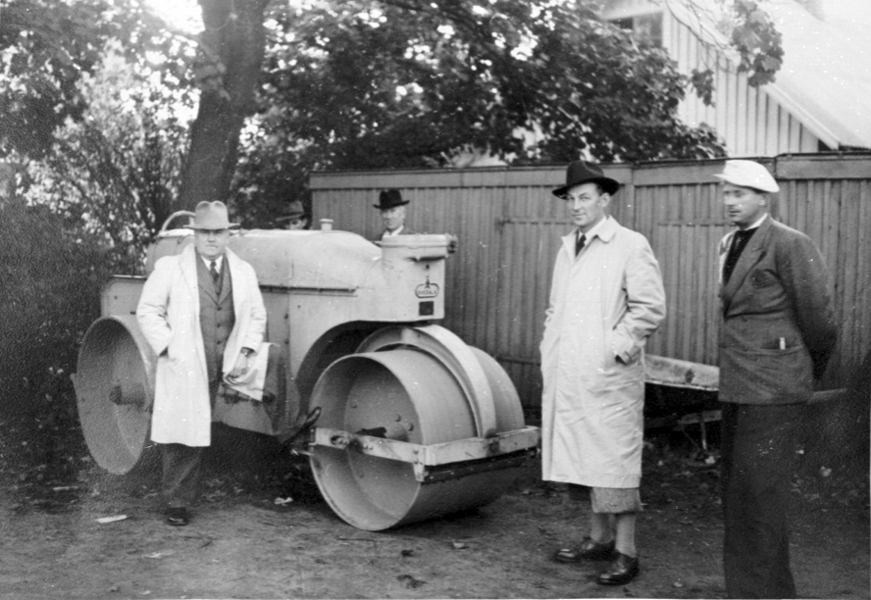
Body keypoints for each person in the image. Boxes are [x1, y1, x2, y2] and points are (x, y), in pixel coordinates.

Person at [714, 160, 837, 598]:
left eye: (739, 194)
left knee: (760, 498)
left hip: (774, 393)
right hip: (738, 387)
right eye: (727, 193)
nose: (730, 201)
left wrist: (800, 374)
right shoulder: (729, 242)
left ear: (763, 198)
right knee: (741, 497)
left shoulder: (790, 243)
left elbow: (820, 321)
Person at [541, 160, 666, 586]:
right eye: (571, 199)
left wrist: (614, 349)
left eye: (585, 198)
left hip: (610, 377)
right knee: (583, 455)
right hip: (572, 372)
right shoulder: (568, 247)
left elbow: (649, 308)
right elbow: (556, 308)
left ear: (605, 200)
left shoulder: (629, 244)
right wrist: (550, 349)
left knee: (614, 463)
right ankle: (598, 538)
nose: (576, 206)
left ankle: (626, 551)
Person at [137, 200, 267, 527]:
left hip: (228, 362)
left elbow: (256, 316)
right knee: (183, 432)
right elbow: (148, 310)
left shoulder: (242, 271)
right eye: (205, 232)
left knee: (208, 423)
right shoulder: (171, 268)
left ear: (227, 235)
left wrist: (246, 351)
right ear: (194, 235)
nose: (211, 238)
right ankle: (177, 503)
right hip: (186, 362)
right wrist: (169, 347)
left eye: (218, 232)